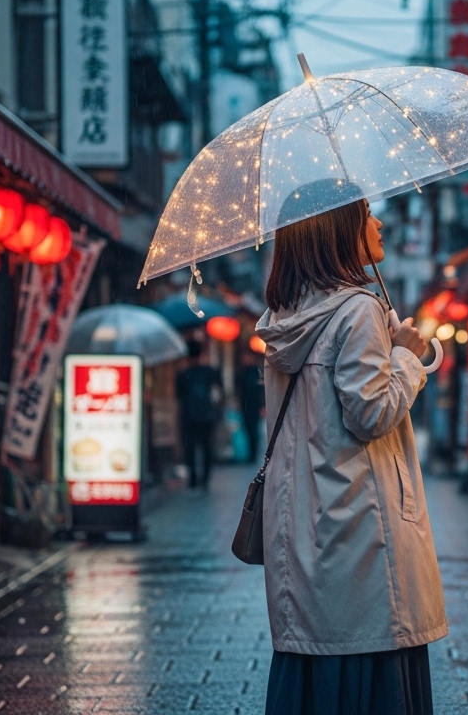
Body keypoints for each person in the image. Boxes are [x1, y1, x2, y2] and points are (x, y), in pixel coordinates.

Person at [254, 187, 444, 715]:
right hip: (362, 527)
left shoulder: (287, 314)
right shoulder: (357, 309)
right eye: (366, 215)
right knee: (370, 663)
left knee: (319, 663)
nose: (379, 224)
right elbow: (371, 415)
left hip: (307, 525)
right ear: (338, 230)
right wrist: (406, 358)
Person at [174, 339, 223, 491]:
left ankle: (193, 482)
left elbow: (179, 398)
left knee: (190, 449)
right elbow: (218, 393)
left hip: (188, 416)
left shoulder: (182, 375)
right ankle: (205, 481)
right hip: (207, 415)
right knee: (206, 447)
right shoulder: (210, 371)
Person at [236, 348, 266, 463]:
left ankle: (254, 453)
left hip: (255, 404)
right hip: (245, 404)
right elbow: (240, 389)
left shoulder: (256, 372)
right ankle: (250, 453)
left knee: (254, 429)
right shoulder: (243, 372)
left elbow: (261, 389)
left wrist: (263, 404)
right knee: (247, 428)